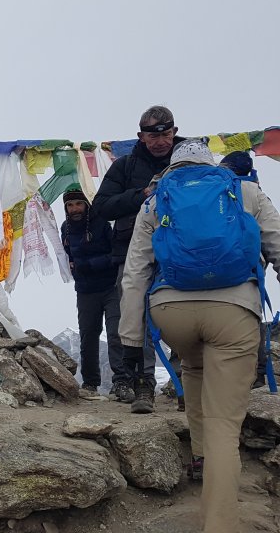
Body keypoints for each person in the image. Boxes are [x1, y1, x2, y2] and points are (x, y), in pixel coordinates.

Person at [119, 139, 280, 533]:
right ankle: (220, 524)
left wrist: (130, 338)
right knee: (226, 423)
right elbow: (277, 245)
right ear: (212, 166)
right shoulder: (245, 190)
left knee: (192, 365)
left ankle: (200, 458)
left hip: (171, 310)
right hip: (233, 309)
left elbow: (135, 271)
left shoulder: (155, 201)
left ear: (172, 168)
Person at [92, 105, 186, 412]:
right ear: (141, 136)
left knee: (187, 314)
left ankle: (185, 382)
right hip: (133, 252)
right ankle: (143, 385)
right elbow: (102, 206)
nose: (160, 141)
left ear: (174, 131)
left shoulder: (190, 161)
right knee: (136, 317)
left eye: (165, 133)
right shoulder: (125, 167)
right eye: (152, 135)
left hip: (183, 251)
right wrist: (142, 194)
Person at [59, 188, 121, 396]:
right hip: (85, 290)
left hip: (111, 286)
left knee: (115, 334)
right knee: (88, 335)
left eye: (78, 203)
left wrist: (90, 265)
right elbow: (69, 256)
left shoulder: (102, 222)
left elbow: (116, 252)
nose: (75, 208)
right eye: (70, 205)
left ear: (86, 204)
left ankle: (121, 381)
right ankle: (90, 383)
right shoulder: (65, 228)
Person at [220, 150, 269, 389]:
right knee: (251, 318)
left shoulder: (214, 190)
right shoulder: (254, 191)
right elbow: (272, 234)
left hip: (216, 265)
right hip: (250, 267)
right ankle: (256, 375)